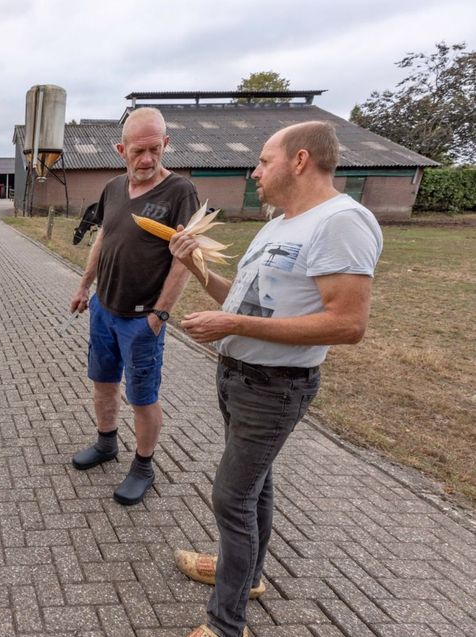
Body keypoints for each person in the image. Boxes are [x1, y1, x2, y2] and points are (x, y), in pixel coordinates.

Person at [168, 121, 383, 637]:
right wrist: (196, 267)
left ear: (300, 160)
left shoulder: (341, 222)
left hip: (276, 384)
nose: (255, 172)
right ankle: (247, 576)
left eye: (264, 161)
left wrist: (235, 326)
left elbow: (348, 324)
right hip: (238, 376)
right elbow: (241, 300)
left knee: (230, 496)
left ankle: (226, 623)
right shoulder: (279, 223)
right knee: (253, 487)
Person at [68, 107, 198, 506]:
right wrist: (84, 285)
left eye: (154, 150)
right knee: (103, 382)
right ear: (121, 149)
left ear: (166, 144)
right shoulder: (112, 188)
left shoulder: (180, 192)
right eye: (138, 152)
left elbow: (185, 259)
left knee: (142, 395)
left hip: (143, 319)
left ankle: (143, 465)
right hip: (104, 309)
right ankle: (106, 443)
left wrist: (160, 314)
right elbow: (103, 238)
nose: (146, 160)